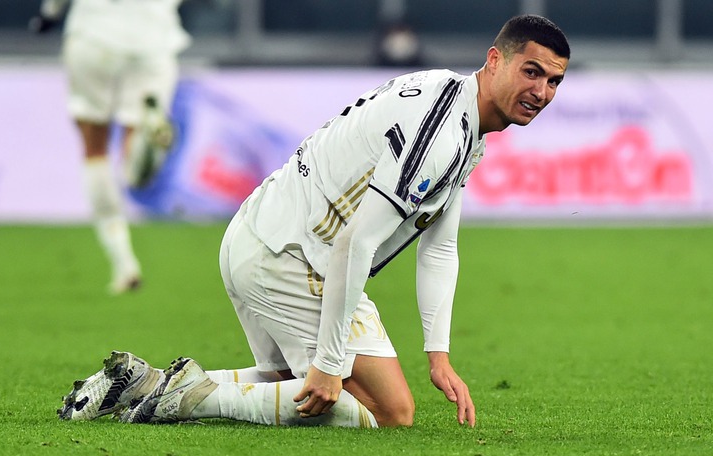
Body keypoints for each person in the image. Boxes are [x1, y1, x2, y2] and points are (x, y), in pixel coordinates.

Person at [57, 14, 570, 427]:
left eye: (554, 81)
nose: (542, 92)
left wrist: (439, 356)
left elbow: (439, 247)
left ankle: (141, 384)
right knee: (387, 412)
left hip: (262, 234)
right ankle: (187, 398)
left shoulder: (458, 112)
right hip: (294, 256)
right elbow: (355, 241)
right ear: (495, 60)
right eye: (532, 72)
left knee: (282, 382)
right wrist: (328, 361)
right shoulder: (440, 132)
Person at [30, 0, 190, 294]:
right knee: (135, 159)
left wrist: (48, 15)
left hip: (94, 35)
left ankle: (123, 262)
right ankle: (144, 145)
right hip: (154, 38)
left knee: (94, 149)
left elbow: (54, 5)